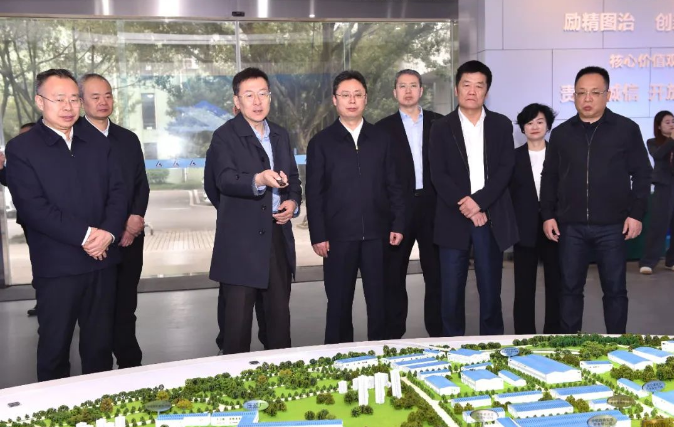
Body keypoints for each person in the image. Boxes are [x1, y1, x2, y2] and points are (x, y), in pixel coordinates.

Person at [6, 68, 127, 381]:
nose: (68, 106)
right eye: (59, 99)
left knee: (100, 347)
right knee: (55, 349)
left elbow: (119, 193)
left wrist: (108, 233)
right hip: (57, 266)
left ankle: (100, 403)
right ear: (40, 102)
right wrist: (87, 236)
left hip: (102, 261)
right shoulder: (22, 149)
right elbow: (33, 208)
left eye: (74, 99)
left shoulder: (98, 143)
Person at [540, 66, 652, 334]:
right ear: (574, 96)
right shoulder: (562, 133)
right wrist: (548, 215)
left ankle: (617, 343)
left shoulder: (626, 129)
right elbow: (550, 177)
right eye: (581, 93)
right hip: (571, 226)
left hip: (613, 226)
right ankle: (571, 345)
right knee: (569, 289)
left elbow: (642, 174)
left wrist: (636, 213)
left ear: (608, 95)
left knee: (615, 290)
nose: (587, 99)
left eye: (594, 93)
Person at [205, 67, 301, 355]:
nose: (257, 101)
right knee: (236, 328)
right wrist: (258, 180)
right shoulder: (224, 136)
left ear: (270, 97)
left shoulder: (281, 134)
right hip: (239, 243)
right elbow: (221, 181)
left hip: (276, 238)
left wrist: (292, 203)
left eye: (263, 94)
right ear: (237, 101)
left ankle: (281, 378)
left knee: (278, 325)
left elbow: (293, 179)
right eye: (249, 95)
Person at [306, 70, 405, 344]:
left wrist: (398, 223)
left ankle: (382, 354)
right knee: (338, 305)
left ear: (366, 99)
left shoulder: (382, 139)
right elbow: (314, 193)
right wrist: (318, 234)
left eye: (358, 95)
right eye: (345, 95)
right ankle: (338, 357)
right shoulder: (321, 143)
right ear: (334, 100)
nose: (352, 100)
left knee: (380, 303)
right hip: (338, 238)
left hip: (378, 235)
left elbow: (395, 185)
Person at [429, 60, 518, 337]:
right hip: (452, 217)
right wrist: (467, 205)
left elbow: (505, 169)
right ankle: (452, 345)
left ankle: (492, 343)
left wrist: (480, 202)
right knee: (451, 291)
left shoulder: (501, 125)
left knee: (490, 289)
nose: (472, 91)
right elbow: (438, 173)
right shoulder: (441, 127)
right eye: (466, 85)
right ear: (457, 89)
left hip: (489, 216)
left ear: (486, 91)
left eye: (479, 86)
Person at [75, 73, 150, 368]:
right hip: (96, 242)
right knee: (97, 312)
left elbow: (140, 183)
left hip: (131, 238)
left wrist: (135, 218)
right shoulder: (74, 138)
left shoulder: (127, 138)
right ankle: (99, 372)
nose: (103, 101)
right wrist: (114, 228)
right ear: (81, 101)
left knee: (126, 305)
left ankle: (131, 365)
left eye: (107, 95)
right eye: (95, 97)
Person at [375, 69, 443, 339]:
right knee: (393, 274)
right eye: (402, 86)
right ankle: (393, 334)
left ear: (421, 90)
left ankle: (438, 333)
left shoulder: (440, 123)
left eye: (413, 85)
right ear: (395, 92)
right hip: (398, 210)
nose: (407, 91)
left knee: (436, 274)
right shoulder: (382, 129)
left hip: (433, 208)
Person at [509, 103, 561, 334]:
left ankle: (554, 333)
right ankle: (524, 334)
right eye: (529, 123)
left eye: (540, 122)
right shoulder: (513, 157)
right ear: (522, 128)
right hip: (523, 228)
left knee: (556, 284)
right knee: (523, 287)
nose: (535, 126)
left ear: (548, 126)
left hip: (556, 227)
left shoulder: (559, 155)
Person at [0, 122, 37, 316]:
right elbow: (11, 181)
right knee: (38, 261)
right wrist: (1, 168)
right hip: (29, 221)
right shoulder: (19, 158)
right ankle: (44, 301)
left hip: (56, 221)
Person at [639, 111, 674, 274]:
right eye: (667, 122)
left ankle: (671, 260)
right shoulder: (653, 142)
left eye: (673, 121)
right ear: (659, 126)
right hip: (663, 186)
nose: (671, 124)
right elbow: (658, 156)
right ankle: (648, 262)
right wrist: (671, 140)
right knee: (659, 224)